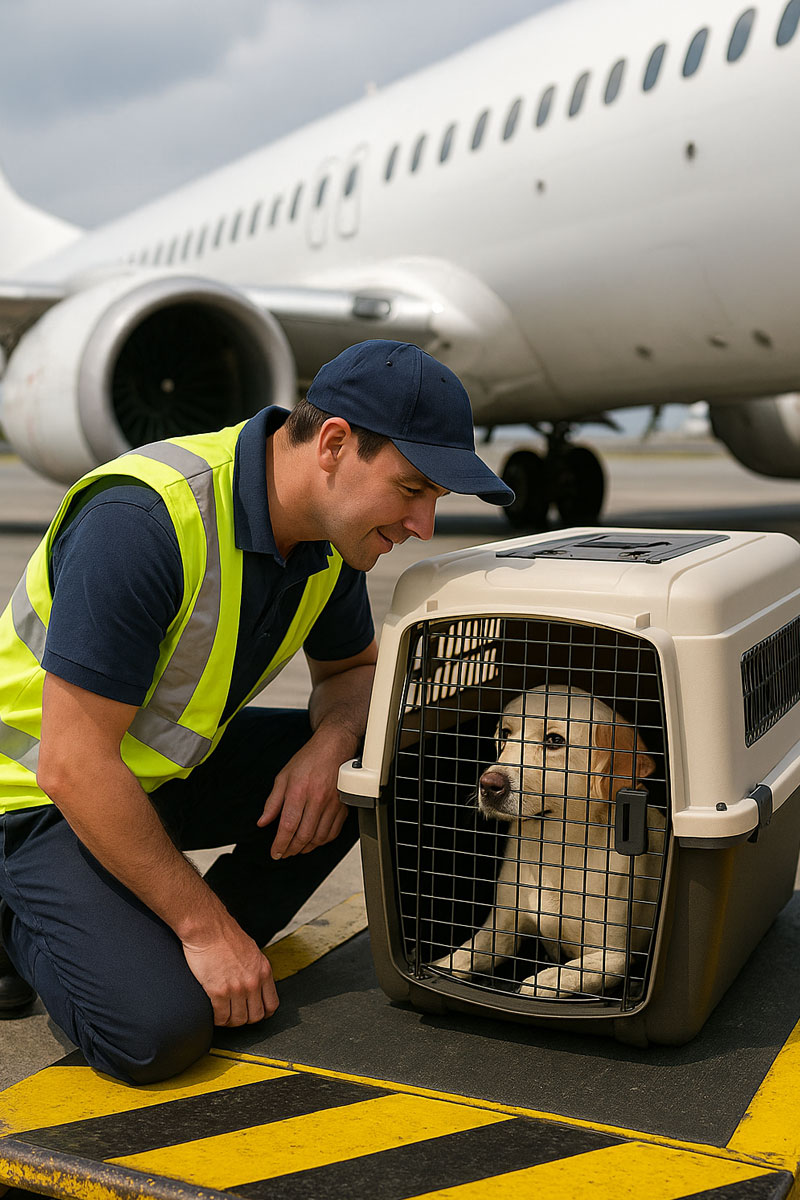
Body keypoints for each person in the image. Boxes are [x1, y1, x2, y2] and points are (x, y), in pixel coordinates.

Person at [0, 339, 513, 1084]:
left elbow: (354, 675)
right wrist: (202, 931)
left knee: (395, 754)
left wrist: (331, 742)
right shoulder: (144, 521)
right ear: (334, 443)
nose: (425, 525)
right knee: (156, 1032)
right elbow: (72, 763)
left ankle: (174, 939)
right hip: (38, 796)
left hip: (157, 776)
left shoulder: (328, 537)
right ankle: (31, 916)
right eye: (412, 490)